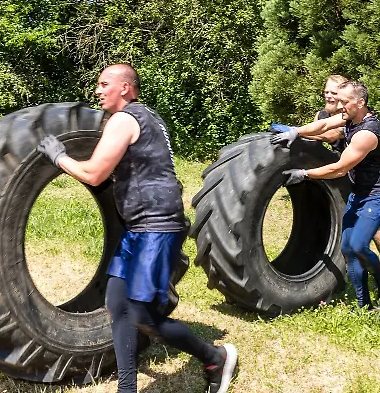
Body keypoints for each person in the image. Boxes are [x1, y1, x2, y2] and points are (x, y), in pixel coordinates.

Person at [38, 64, 237, 393]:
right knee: (117, 304)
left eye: (104, 84)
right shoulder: (146, 116)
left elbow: (94, 174)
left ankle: (215, 357)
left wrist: (59, 157)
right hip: (140, 227)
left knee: (142, 315)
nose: (98, 90)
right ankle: (126, 389)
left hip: (157, 228)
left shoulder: (124, 119)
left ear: (125, 88)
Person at [272, 80, 380, 320]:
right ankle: (364, 306)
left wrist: (305, 174)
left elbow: (340, 169)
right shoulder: (349, 118)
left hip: (379, 195)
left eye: (344, 101)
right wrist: (295, 131)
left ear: (361, 102)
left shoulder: (367, 133)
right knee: (347, 249)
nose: (339, 106)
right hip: (360, 193)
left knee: (359, 245)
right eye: (338, 100)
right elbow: (323, 124)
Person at [313, 75, 380, 291]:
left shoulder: (356, 120)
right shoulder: (323, 114)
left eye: (334, 92)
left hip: (354, 176)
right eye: (327, 91)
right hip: (340, 174)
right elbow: (319, 127)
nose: (329, 95)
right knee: (345, 235)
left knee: (373, 233)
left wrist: (302, 135)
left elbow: (328, 135)